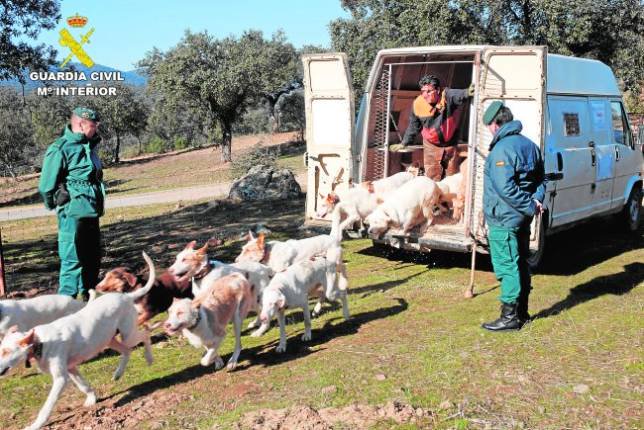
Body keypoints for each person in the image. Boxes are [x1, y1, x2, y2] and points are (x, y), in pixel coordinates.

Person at [480, 101, 545, 331]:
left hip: (504, 219)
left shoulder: (501, 150)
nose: (489, 129)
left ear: (496, 125)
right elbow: (541, 180)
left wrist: (529, 205)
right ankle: (523, 312)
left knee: (507, 265)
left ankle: (509, 318)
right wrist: (536, 201)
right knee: (521, 263)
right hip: (522, 220)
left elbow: (504, 187)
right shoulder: (530, 146)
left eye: (489, 125)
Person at [38, 107, 105, 300]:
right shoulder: (60, 148)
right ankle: (65, 308)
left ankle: (88, 303)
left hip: (91, 211)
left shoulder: (90, 145)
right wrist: (56, 202)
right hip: (72, 212)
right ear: (81, 125)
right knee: (72, 259)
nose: (96, 128)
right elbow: (46, 186)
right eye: (93, 125)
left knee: (92, 259)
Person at [390, 75, 474, 180]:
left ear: (438, 90)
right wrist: (404, 143)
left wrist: (467, 93)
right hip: (431, 144)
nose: (425, 95)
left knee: (451, 176)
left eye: (429, 91)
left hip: (450, 143)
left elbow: (459, 94)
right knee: (433, 175)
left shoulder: (447, 95)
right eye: (423, 91)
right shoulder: (418, 104)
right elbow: (413, 126)